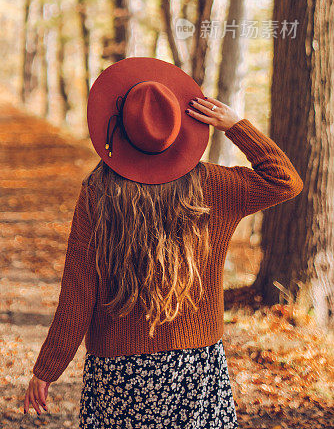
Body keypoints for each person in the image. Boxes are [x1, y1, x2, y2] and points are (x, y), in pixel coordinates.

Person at [23, 57, 304, 428]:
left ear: (119, 130)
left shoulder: (98, 193)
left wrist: (47, 368)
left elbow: (78, 292)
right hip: (196, 368)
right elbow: (285, 180)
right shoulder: (216, 187)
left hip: (118, 374)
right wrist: (235, 125)